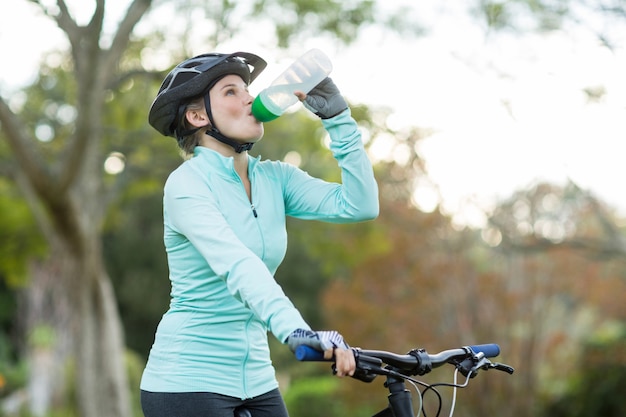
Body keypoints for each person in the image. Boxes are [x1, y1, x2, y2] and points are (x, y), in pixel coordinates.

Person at [140, 51, 379, 417]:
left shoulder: (275, 178)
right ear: (197, 116)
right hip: (187, 381)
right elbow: (239, 266)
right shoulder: (186, 185)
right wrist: (298, 331)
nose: (250, 98)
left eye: (247, 89)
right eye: (232, 92)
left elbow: (358, 204)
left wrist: (338, 119)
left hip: (257, 380)